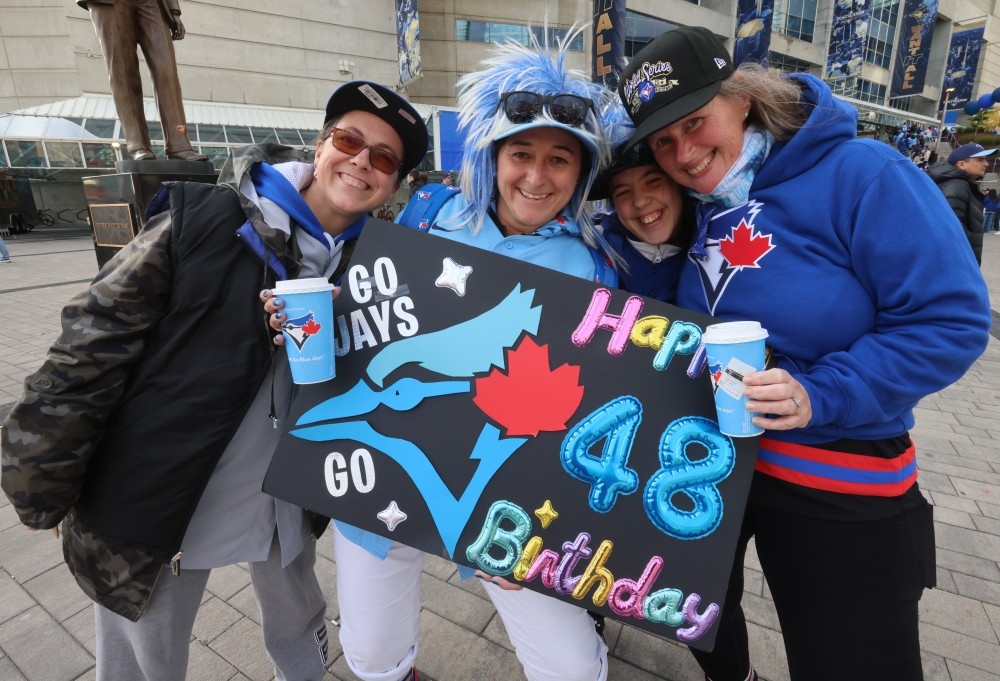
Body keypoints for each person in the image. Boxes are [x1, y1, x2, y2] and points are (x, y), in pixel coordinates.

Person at [1, 80, 429, 680]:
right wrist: (38, 476)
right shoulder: (203, 218)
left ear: (396, 181)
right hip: (172, 488)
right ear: (321, 142)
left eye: (384, 157)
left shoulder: (377, 268)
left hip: (288, 492)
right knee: (145, 649)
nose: (361, 161)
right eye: (349, 139)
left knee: (298, 627)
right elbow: (90, 340)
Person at [618, 26, 991, 681]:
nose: (682, 152)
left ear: (742, 98)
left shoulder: (864, 173)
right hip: (717, 471)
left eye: (696, 121)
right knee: (703, 620)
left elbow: (950, 318)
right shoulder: (698, 208)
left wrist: (821, 391)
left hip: (838, 480)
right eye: (663, 141)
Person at [266, 28, 616, 681]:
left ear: (582, 171)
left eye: (560, 159)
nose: (536, 176)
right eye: (521, 153)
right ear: (492, 154)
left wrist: (528, 530)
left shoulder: (588, 268)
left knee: (572, 667)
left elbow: (584, 402)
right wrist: (311, 318)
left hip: (499, 495)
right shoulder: (426, 211)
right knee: (370, 654)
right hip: (384, 474)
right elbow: (368, 313)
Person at [77, 0, 208, 162]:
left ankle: (179, 143)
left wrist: (173, 11)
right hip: (108, 3)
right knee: (122, 72)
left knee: (167, 72)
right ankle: (138, 145)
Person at [589, 110, 693, 302]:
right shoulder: (593, 251)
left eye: (653, 181)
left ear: (679, 184)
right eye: (622, 193)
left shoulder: (712, 248)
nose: (640, 201)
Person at [928, 142, 997, 265]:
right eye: (980, 160)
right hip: (955, 265)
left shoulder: (961, 184)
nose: (986, 164)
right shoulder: (957, 185)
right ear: (961, 164)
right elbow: (951, 232)